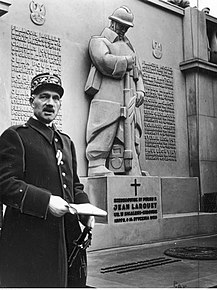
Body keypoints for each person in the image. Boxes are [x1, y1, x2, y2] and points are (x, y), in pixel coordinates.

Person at [0, 72, 94, 287]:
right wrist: (46, 201)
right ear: (31, 101)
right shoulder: (16, 136)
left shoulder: (67, 142)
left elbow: (74, 186)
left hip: (68, 238)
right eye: (44, 96)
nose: (50, 103)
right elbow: (5, 184)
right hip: (31, 242)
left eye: (55, 98)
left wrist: (85, 209)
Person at [85, 6, 145, 177]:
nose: (123, 29)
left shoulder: (129, 46)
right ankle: (96, 164)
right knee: (105, 126)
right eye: (121, 25)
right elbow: (103, 60)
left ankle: (132, 167)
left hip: (130, 95)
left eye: (126, 26)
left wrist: (140, 90)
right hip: (107, 93)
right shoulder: (99, 41)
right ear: (112, 22)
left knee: (131, 131)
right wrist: (126, 61)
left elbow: (138, 73)